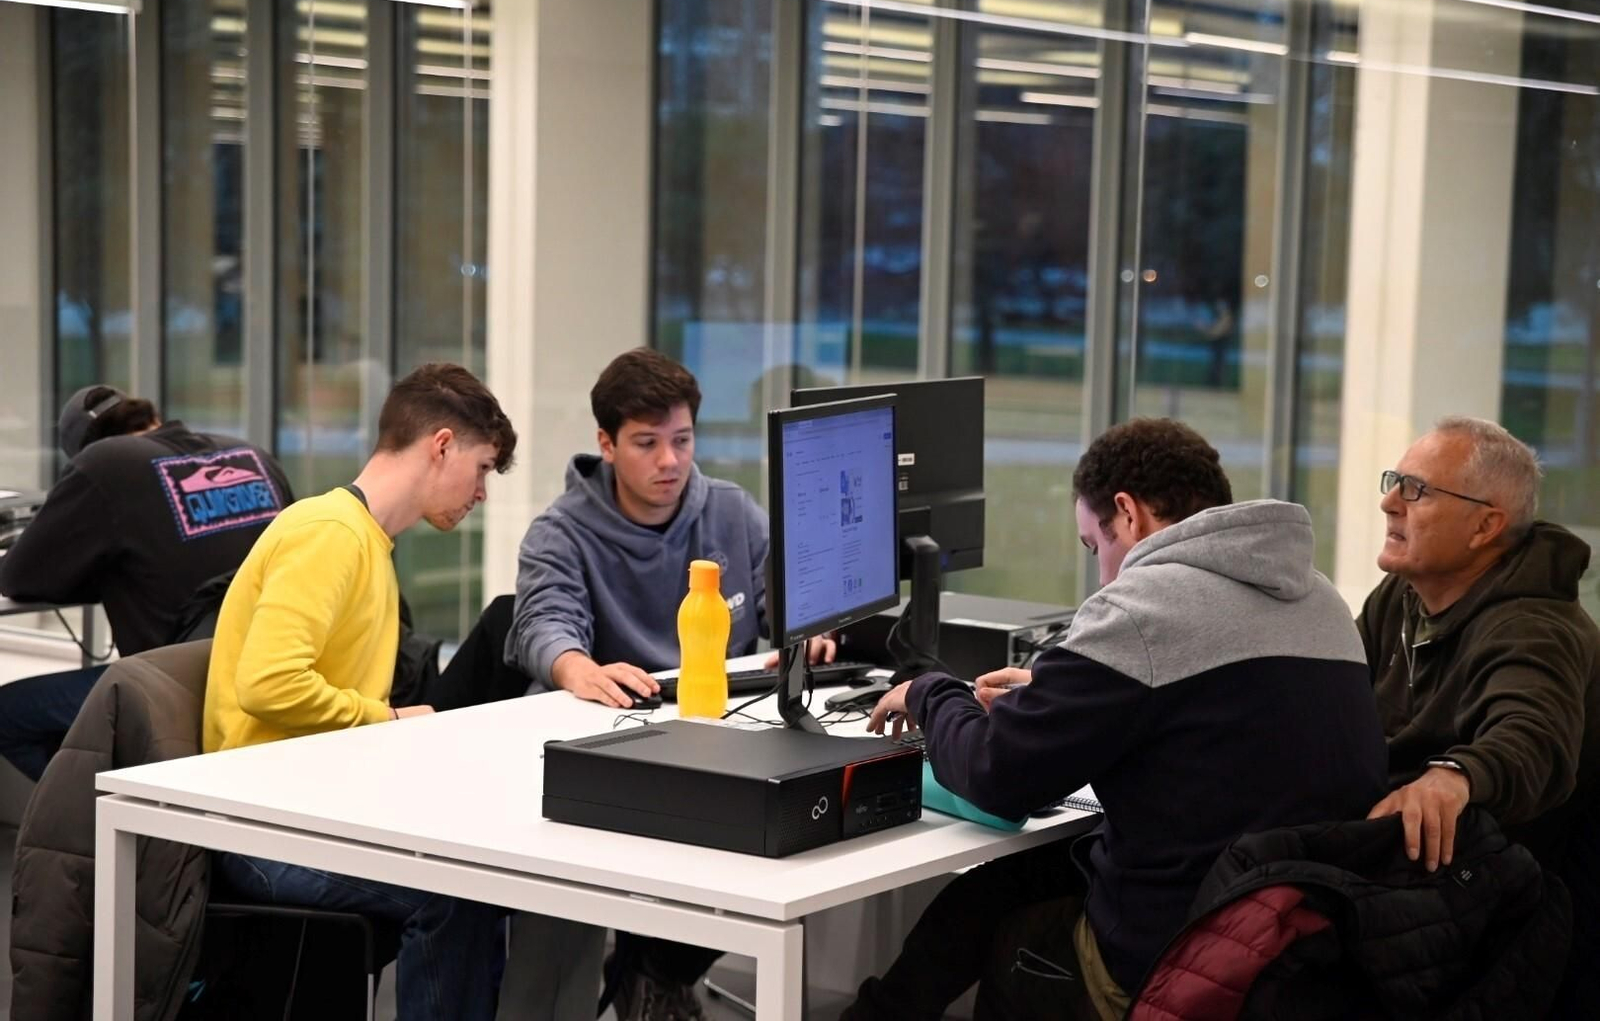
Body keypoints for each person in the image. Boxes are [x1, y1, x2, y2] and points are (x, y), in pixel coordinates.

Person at [844, 418, 1388, 1021]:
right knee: (995, 887)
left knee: (1012, 934)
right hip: (1302, 945)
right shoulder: (1322, 600)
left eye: (1093, 545)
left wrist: (931, 691)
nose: (1102, 575)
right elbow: (1218, 721)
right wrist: (1063, 692)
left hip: (1182, 961)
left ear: (1127, 514)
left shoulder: (1140, 607)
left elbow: (997, 778)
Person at [506, 347, 831, 1020]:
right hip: (621, 749)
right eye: (647, 444)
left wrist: (811, 631)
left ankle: (657, 968)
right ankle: (650, 968)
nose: (669, 462)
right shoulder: (560, 531)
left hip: (722, 738)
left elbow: (784, 605)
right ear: (607, 443)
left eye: (682, 441)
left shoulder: (732, 513)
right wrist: (579, 667)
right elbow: (544, 626)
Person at [203, 362, 516, 1021]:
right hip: (260, 826)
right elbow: (268, 682)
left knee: (488, 870)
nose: (481, 491)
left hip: (310, 804)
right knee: (453, 891)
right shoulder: (331, 534)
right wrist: (389, 716)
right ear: (440, 445)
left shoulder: (369, 541)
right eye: (482, 468)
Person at [1359, 416, 1600, 1011]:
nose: (1389, 502)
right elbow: (1328, 707)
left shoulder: (1534, 626)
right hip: (1428, 896)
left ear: (1486, 526)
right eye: (1394, 481)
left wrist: (1455, 775)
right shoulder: (1401, 599)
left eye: (1415, 489)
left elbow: (1532, 735)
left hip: (1515, 927)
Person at [0, 385, 292, 779]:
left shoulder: (104, 464)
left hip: (177, 687)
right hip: (271, 675)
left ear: (84, 449)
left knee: (8, 714)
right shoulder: (250, 455)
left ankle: (100, 830)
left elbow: (18, 577)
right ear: (149, 418)